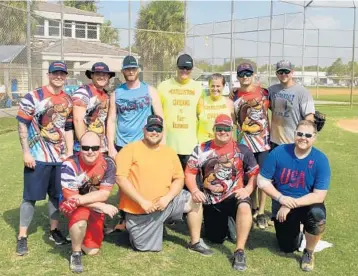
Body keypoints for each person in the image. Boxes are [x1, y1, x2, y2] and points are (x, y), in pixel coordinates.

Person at [115, 115, 213, 255]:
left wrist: (167, 198)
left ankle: (195, 242)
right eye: (151, 128)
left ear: (162, 132)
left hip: (166, 203)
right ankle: (132, 229)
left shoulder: (169, 152)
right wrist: (142, 202)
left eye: (158, 129)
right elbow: (121, 179)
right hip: (141, 210)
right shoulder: (129, 149)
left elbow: (179, 179)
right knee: (146, 248)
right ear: (144, 130)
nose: (154, 132)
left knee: (194, 199)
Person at [185, 114, 259, 271]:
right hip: (213, 201)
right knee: (216, 238)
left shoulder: (243, 150)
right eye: (219, 128)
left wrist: (248, 189)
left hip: (234, 196)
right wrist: (194, 190)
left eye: (226, 128)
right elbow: (190, 173)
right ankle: (230, 224)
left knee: (244, 206)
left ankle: (239, 251)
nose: (223, 132)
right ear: (213, 129)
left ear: (232, 130)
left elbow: (254, 173)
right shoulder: (201, 149)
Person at [15, 61, 73, 256]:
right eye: (55, 73)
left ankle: (54, 230)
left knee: (56, 196)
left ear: (66, 76)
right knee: (30, 197)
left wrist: (69, 152)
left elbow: (67, 127)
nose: (59, 76)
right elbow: (22, 124)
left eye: (62, 74)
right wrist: (26, 152)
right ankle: (22, 236)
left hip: (59, 158)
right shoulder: (34, 96)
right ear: (48, 74)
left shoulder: (67, 99)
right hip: (37, 157)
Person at [257, 120, 330, 272]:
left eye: (308, 135)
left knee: (317, 215)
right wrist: (281, 199)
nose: (303, 138)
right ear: (294, 134)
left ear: (314, 137)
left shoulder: (320, 159)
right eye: (300, 134)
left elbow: (319, 196)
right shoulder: (279, 152)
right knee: (287, 247)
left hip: (307, 203)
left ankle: (309, 252)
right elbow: (262, 181)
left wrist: (289, 204)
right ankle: (300, 231)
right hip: (282, 201)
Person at [60, 131, 118, 273]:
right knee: (80, 219)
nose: (90, 151)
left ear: (101, 147)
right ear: (79, 148)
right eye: (86, 148)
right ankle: (76, 253)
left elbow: (104, 194)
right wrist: (100, 206)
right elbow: (71, 199)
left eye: (94, 148)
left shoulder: (109, 163)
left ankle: (78, 233)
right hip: (70, 204)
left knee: (93, 250)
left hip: (85, 201)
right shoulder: (69, 164)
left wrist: (86, 201)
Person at [231, 63, 271, 229]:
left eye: (248, 73)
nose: (245, 76)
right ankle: (253, 207)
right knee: (249, 177)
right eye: (242, 74)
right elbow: (234, 119)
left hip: (262, 144)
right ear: (238, 76)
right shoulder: (234, 95)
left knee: (262, 178)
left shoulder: (264, 93)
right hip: (244, 144)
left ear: (253, 75)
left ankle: (261, 212)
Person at [107, 55, 164, 159]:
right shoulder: (116, 93)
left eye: (133, 68)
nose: (131, 72)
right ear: (122, 71)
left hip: (145, 143)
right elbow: (111, 120)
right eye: (127, 69)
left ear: (139, 70)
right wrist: (111, 146)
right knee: (123, 175)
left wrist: (162, 143)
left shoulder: (150, 91)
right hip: (122, 145)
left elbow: (160, 119)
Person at [157, 54, 202, 170]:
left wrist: (234, 92)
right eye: (182, 67)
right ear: (177, 67)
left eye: (188, 68)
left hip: (190, 145)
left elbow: (203, 114)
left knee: (190, 184)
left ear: (192, 69)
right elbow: (156, 113)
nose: (184, 71)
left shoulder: (198, 88)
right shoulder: (163, 86)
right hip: (168, 143)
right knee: (169, 183)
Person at [268, 60, 315, 149]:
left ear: (292, 72)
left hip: (293, 141)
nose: (283, 74)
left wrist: (305, 137)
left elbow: (309, 118)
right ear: (276, 74)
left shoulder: (302, 92)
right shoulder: (271, 90)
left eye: (286, 71)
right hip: (274, 141)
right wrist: (237, 90)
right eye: (280, 72)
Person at [72, 62, 115, 153]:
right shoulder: (83, 92)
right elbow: (78, 120)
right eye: (98, 74)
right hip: (87, 149)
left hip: (101, 147)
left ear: (108, 77)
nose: (102, 77)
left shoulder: (106, 95)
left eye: (105, 74)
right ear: (92, 75)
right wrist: (86, 147)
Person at [197, 73, 234, 144]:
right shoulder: (201, 101)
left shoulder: (229, 103)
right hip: (204, 146)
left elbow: (234, 125)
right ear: (209, 86)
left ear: (223, 86)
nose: (215, 89)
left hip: (223, 146)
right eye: (212, 86)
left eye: (218, 86)